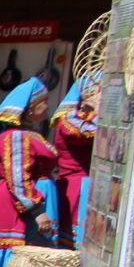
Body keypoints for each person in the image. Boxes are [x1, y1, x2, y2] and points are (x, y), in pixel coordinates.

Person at [0, 77, 60, 267]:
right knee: (17, 250)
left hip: (34, 195)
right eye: (43, 102)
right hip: (20, 201)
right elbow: (17, 177)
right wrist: (36, 210)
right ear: (29, 109)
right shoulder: (15, 138)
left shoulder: (28, 134)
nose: (47, 106)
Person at [52, 73, 98, 249]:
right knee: (72, 244)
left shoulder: (87, 118)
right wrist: (98, 111)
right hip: (75, 186)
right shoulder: (69, 120)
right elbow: (88, 133)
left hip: (86, 185)